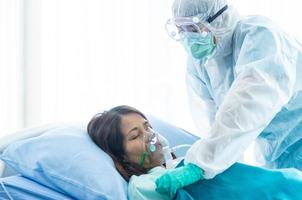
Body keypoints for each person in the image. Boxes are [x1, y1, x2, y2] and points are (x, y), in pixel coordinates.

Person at [156, 0, 302, 196]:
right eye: (180, 29)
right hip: (273, 151)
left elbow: (248, 105)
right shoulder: (201, 62)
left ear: (219, 19)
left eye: (192, 27)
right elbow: (213, 123)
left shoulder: (260, 35)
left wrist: (200, 164)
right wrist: (218, 168)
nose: (187, 37)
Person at [87, 105, 302, 199]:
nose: (149, 135)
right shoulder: (141, 185)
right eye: (135, 135)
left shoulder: (190, 158)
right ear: (121, 155)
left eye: (148, 126)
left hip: (285, 185)